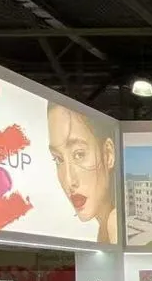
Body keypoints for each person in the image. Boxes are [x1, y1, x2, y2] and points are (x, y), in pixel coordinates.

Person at [48, 104, 118, 244]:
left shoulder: (115, 223)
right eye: (58, 159)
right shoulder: (105, 229)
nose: (69, 180)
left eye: (79, 154)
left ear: (108, 154)